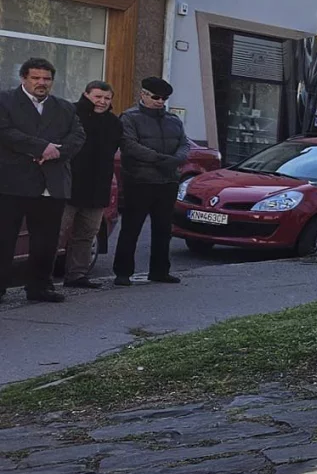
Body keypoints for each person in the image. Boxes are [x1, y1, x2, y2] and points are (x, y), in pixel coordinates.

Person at [0, 59, 85, 303]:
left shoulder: (65, 107)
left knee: (46, 241)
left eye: (46, 79)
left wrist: (57, 152)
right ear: (23, 78)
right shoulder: (5, 101)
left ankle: (40, 287)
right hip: (11, 183)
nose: (41, 83)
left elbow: (78, 136)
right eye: (36, 78)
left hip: (52, 182)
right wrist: (42, 147)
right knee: (4, 238)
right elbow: (5, 133)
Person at [114, 76, 188, 285]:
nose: (160, 101)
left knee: (164, 229)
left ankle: (160, 271)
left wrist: (176, 160)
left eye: (164, 98)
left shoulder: (173, 120)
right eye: (156, 97)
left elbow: (184, 143)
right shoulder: (130, 117)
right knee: (131, 228)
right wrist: (161, 159)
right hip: (140, 181)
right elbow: (130, 145)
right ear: (143, 95)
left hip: (167, 182)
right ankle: (122, 273)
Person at [62, 81, 123, 288]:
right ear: (85, 94)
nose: (102, 102)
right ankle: (40, 280)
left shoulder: (114, 123)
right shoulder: (69, 114)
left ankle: (77, 276)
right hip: (67, 188)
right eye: (97, 97)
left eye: (107, 98)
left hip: (97, 190)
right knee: (54, 235)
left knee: (86, 235)